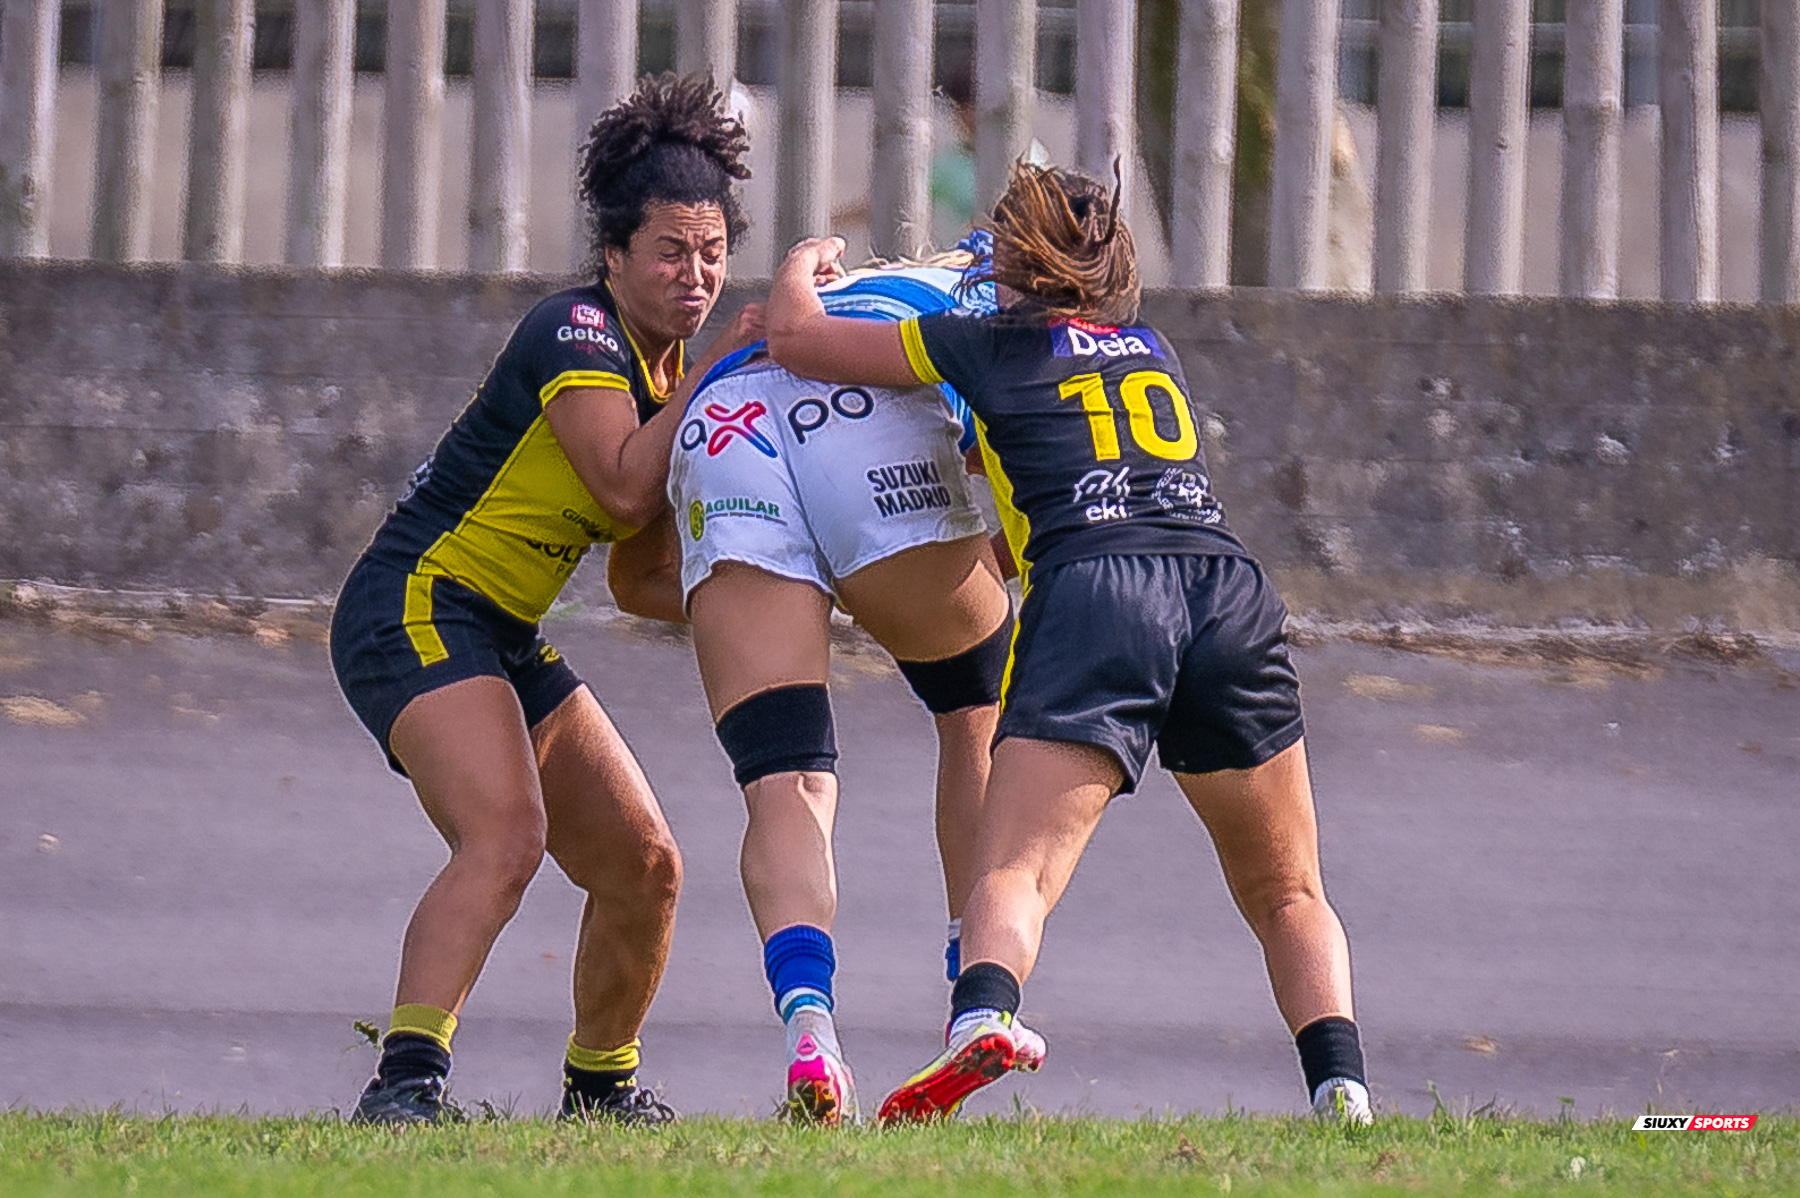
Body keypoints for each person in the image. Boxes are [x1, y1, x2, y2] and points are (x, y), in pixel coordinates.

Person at [763, 161, 1371, 1126]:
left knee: (1016, 870)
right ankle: (1343, 1091)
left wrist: (803, 265)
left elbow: (799, 340)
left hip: (1099, 591)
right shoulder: (1149, 347)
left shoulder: (986, 342)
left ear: (1011, 257)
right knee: (1291, 888)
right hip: (1224, 587)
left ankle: (981, 1021)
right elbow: (1050, 472)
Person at [327, 73, 763, 1126]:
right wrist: (731, 366)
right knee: (507, 835)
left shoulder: (667, 373)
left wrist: (801, 597)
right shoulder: (574, 331)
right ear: (613, 255)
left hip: (500, 632)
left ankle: (601, 1087)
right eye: (669, 250)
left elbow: (641, 575)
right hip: (415, 605)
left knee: (646, 863)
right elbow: (620, 481)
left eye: (712, 252)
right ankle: (404, 1086)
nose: (694, 274)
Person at [610, 247, 1044, 1125]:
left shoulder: (866, 279)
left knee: (786, 778)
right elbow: (1033, 509)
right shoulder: (1021, 317)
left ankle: (811, 1030)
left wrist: (802, 590)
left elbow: (636, 581)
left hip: (723, 421)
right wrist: (891, 581)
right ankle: (977, 1004)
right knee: (976, 710)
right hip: (864, 419)